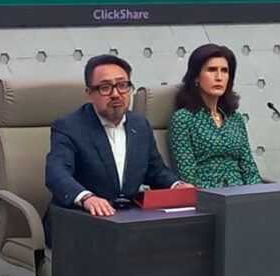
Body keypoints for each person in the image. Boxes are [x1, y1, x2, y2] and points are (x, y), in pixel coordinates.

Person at [44, 54, 194, 244]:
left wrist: (177, 186)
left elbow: (155, 170)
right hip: (80, 224)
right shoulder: (69, 126)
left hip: (126, 222)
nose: (116, 94)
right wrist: (87, 198)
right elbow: (56, 173)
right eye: (105, 87)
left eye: (122, 85)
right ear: (89, 93)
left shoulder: (140, 125)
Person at [167, 44, 262, 188]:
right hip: (208, 198)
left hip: (242, 196)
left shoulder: (235, 119)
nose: (219, 77)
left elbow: (249, 169)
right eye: (212, 70)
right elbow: (187, 177)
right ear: (196, 77)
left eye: (224, 71)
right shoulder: (183, 119)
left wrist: (255, 197)